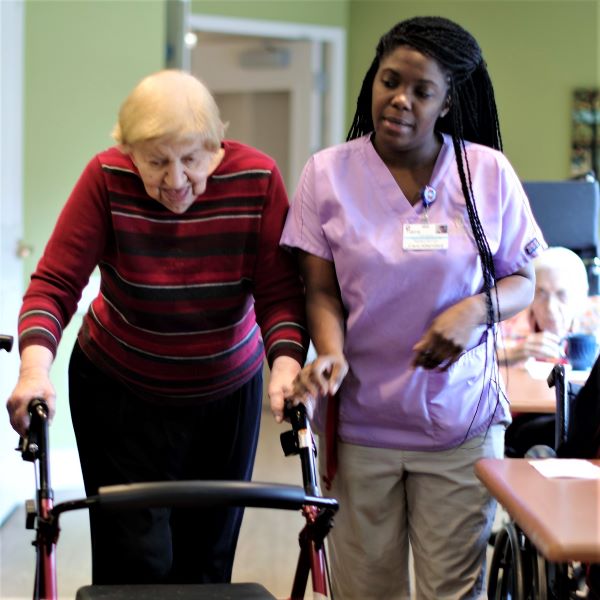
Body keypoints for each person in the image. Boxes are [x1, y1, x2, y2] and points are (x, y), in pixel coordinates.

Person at [6, 70, 308, 585]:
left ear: (216, 145)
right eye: (155, 161)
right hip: (120, 391)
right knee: (136, 560)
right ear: (127, 150)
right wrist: (34, 371)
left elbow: (280, 295)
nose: (174, 180)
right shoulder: (105, 178)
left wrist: (285, 366)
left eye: (190, 159)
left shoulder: (258, 180)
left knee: (208, 561)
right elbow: (55, 284)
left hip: (225, 396)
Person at [281, 16, 545, 600]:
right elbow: (320, 289)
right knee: (365, 592)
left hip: (460, 427)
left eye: (421, 90)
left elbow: (524, 280)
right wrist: (330, 351)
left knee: (453, 592)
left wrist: (475, 310)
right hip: (362, 429)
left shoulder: (486, 173)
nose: (399, 100)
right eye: (389, 80)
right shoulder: (327, 174)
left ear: (447, 102)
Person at [501, 246, 590, 366]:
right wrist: (514, 353)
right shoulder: (506, 323)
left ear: (581, 296)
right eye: (541, 293)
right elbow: (475, 359)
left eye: (562, 295)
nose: (550, 308)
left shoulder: (594, 326)